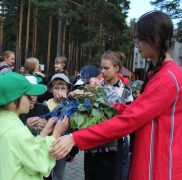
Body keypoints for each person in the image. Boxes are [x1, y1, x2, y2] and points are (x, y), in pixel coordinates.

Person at [48, 11, 182, 180]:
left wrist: (75, 138)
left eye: (139, 39)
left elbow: (130, 120)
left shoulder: (166, 79)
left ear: (155, 39)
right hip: (153, 161)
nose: (136, 45)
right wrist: (97, 104)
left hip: (156, 167)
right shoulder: (163, 74)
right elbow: (135, 109)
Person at [0, 72, 69, 180]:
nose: (32, 99)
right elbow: (40, 164)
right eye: (28, 96)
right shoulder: (19, 133)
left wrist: (44, 132)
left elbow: (26, 150)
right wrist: (56, 134)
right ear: (14, 102)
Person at [70, 65, 123, 180]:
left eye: (88, 83)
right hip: (89, 153)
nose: (86, 87)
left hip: (107, 154)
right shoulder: (83, 98)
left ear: (99, 78)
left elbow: (113, 108)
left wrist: (88, 96)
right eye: (82, 85)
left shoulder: (110, 91)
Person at [100, 51, 133, 180]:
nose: (103, 71)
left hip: (121, 140)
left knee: (122, 168)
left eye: (106, 68)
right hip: (102, 137)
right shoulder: (98, 89)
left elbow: (131, 114)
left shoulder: (126, 90)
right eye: (101, 68)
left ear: (116, 68)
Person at [19, 75, 52, 180]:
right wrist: (26, 128)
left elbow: (52, 133)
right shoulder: (17, 112)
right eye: (28, 93)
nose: (32, 97)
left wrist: (47, 127)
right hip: (25, 158)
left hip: (43, 156)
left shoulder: (43, 108)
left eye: (34, 93)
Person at [44, 73, 72, 180]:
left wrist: (73, 150)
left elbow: (73, 129)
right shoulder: (45, 105)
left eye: (63, 88)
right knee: (45, 173)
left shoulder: (71, 106)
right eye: (56, 88)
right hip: (47, 145)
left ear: (68, 89)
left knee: (59, 175)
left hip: (61, 146)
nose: (60, 91)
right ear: (51, 89)